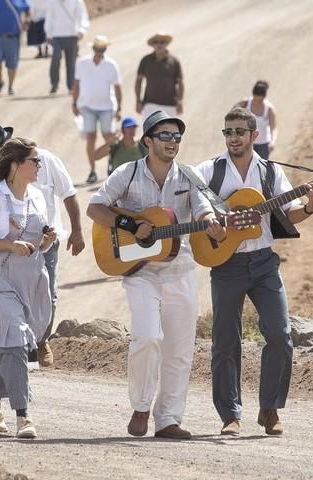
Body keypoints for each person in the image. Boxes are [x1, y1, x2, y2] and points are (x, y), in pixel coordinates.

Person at [87, 111, 226, 439]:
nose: (172, 142)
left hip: (180, 272)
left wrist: (212, 223)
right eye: (165, 136)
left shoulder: (189, 177)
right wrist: (132, 225)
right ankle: (141, 405)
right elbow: (96, 208)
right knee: (147, 337)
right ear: (147, 141)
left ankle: (168, 420)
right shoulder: (127, 173)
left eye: (177, 137)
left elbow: (205, 206)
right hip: (140, 272)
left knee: (179, 350)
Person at [196, 106, 313, 436]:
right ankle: (230, 415)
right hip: (226, 263)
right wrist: (214, 221)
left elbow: (287, 215)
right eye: (228, 132)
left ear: (255, 135)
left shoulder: (270, 173)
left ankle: (270, 409)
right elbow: (193, 200)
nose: (233, 138)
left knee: (280, 335)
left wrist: (309, 204)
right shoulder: (210, 170)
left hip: (264, 263)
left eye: (239, 131)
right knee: (225, 341)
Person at [0, 137, 56, 439]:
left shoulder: (39, 197)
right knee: (15, 342)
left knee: (11, 349)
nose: (39, 166)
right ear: (16, 164)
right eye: (34, 161)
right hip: (0, 281)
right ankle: (24, 416)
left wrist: (47, 241)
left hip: (33, 282)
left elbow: (39, 245)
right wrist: (9, 244)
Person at [0, 123, 85, 368]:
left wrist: (76, 231)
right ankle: (17, 347)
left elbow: (68, 193)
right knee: (9, 296)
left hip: (44, 241)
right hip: (7, 248)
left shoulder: (45, 159)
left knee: (47, 294)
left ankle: (40, 339)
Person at [72, 35, 122, 184]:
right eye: (97, 48)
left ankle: (112, 167)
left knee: (110, 138)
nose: (99, 51)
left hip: (107, 106)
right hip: (87, 106)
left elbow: (117, 87)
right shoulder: (82, 63)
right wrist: (74, 103)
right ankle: (92, 170)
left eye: (102, 49)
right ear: (93, 49)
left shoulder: (111, 64)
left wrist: (119, 108)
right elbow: (77, 84)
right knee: (91, 138)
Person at [0, 0, 31, 95]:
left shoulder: (20, 1)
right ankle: (0, 80)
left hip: (13, 37)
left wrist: (27, 21)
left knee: (12, 64)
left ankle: (10, 87)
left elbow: (28, 11)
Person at [135, 33, 184, 119]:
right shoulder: (145, 60)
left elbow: (180, 83)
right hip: (150, 104)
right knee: (151, 131)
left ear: (166, 44)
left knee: (169, 132)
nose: (159, 44)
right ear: (153, 45)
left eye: (162, 42)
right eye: (156, 42)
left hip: (170, 104)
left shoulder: (174, 61)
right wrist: (138, 101)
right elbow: (138, 81)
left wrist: (179, 101)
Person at [44, 0, 89, 94]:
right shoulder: (52, 2)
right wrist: (48, 34)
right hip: (56, 36)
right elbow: (49, 17)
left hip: (72, 35)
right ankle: (54, 84)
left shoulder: (76, 1)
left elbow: (82, 16)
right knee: (55, 59)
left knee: (71, 62)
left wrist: (82, 30)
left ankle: (71, 86)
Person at [234, 80, 278, 159]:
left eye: (260, 100)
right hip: (246, 143)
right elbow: (231, 118)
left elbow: (273, 128)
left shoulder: (269, 109)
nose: (257, 102)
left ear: (264, 97)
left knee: (260, 168)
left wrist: (273, 141)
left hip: (263, 145)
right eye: (255, 99)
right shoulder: (244, 103)